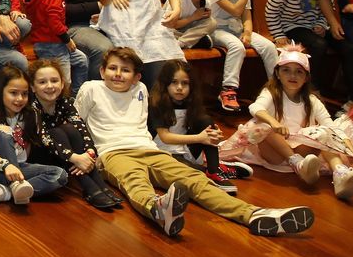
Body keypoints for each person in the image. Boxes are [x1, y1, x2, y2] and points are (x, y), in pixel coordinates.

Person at [76, 48, 314, 237]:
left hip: (150, 149)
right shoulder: (91, 88)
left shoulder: (139, 89)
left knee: (195, 180)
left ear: (137, 76)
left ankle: (253, 214)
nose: (118, 74)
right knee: (135, 182)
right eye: (113, 68)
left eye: (125, 70)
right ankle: (157, 210)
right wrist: (84, 155)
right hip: (113, 152)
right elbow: (77, 123)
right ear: (101, 70)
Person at [218, 45, 353, 201]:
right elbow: (255, 107)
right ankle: (296, 163)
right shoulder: (271, 93)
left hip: (303, 154)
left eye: (299, 72)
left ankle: (340, 175)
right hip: (276, 155)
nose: (293, 75)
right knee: (261, 125)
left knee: (324, 132)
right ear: (277, 73)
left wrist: (351, 149)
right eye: (286, 70)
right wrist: (274, 122)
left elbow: (331, 126)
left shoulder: (311, 100)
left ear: (306, 77)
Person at [27, 60, 121, 208]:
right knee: (56, 132)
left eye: (54, 80)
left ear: (62, 83)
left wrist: (90, 152)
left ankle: (100, 185)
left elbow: (80, 126)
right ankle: (89, 187)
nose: (50, 86)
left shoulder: (65, 102)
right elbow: (43, 138)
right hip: (39, 156)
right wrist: (75, 158)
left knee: (71, 129)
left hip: (62, 155)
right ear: (33, 87)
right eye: (42, 82)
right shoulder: (32, 108)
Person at [0, 67, 69, 206]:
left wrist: (15, 167)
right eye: (13, 93)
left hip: (17, 167)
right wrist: (6, 165)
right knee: (2, 131)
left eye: (24, 94)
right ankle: (16, 187)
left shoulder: (31, 114)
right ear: (1, 92)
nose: (20, 99)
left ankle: (6, 192)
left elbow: (26, 148)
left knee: (60, 175)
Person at [148, 60, 243, 192]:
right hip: (164, 153)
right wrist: (199, 138)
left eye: (185, 83)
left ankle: (214, 170)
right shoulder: (156, 103)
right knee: (191, 173)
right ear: (165, 84)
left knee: (206, 121)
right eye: (174, 82)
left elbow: (201, 127)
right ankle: (216, 171)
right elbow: (165, 137)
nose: (179, 87)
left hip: (185, 149)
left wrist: (214, 134)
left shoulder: (191, 102)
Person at [25, 0, 89, 93]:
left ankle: (76, 96)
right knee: (63, 82)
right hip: (53, 44)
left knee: (81, 60)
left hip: (50, 42)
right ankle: (64, 104)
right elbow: (54, 23)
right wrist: (67, 40)